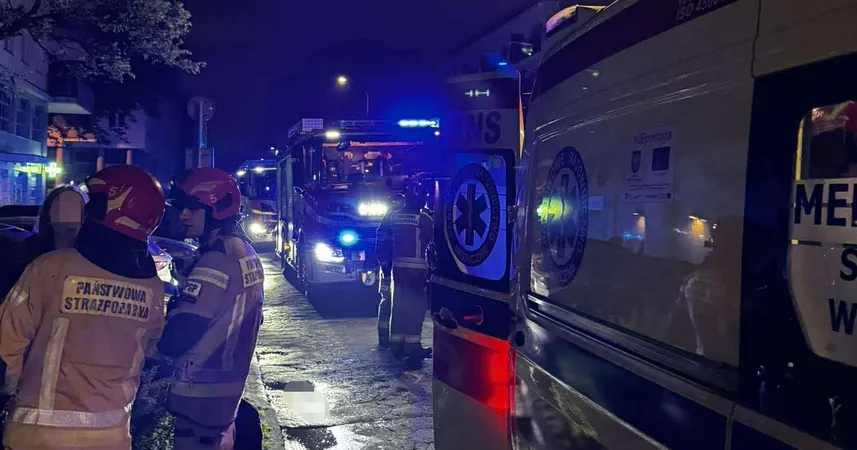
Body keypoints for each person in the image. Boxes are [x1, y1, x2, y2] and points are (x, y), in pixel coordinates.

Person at [0, 165, 167, 449]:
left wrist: (9, 394)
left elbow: (6, 348)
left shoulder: (50, 268)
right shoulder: (152, 288)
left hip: (39, 437)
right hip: (112, 437)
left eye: (95, 202)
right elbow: (149, 349)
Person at [157, 167, 264, 450]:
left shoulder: (216, 260)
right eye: (182, 207)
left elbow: (179, 335)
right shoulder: (243, 251)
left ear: (217, 209)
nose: (183, 215)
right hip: (225, 391)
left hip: (200, 394)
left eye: (192, 208)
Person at [376, 179, 433, 369]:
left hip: (397, 271)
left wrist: (384, 263)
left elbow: (382, 239)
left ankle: (396, 344)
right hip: (418, 273)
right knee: (415, 311)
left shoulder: (394, 216)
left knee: (398, 309)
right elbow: (434, 243)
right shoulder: (425, 219)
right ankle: (412, 347)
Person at [0, 186, 86, 300]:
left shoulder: (94, 258)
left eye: (77, 210)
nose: (71, 218)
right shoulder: (26, 256)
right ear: (49, 216)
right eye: (64, 210)